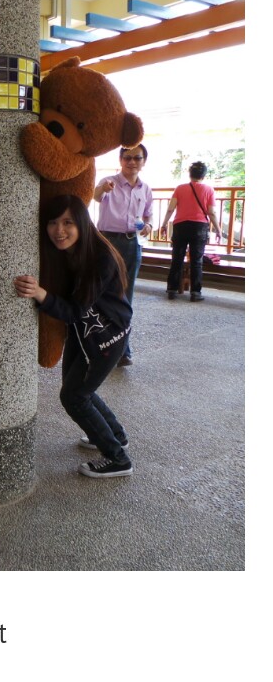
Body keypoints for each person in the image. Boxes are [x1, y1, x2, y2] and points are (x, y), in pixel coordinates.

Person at [14, 195, 134, 478]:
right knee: (78, 389)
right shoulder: (69, 253)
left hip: (106, 337)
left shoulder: (100, 258)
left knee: (74, 397)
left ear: (82, 222)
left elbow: (75, 311)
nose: (59, 230)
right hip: (83, 334)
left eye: (68, 222)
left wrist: (40, 294)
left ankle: (117, 459)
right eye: (53, 222)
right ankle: (115, 435)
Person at [93, 143, 153, 367]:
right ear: (120, 160)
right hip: (107, 241)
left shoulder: (145, 189)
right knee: (102, 292)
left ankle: (122, 350)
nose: (132, 162)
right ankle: (99, 344)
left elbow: (148, 216)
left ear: (144, 162)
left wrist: (149, 226)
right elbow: (96, 196)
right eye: (127, 157)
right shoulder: (109, 182)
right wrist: (103, 189)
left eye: (137, 158)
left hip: (132, 243)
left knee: (126, 296)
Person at [159, 161, 223, 302]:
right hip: (199, 227)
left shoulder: (180, 188)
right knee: (196, 261)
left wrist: (164, 224)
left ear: (190, 174)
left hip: (180, 226)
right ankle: (195, 293)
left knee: (177, 258)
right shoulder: (209, 190)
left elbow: (171, 209)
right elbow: (211, 212)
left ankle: (172, 290)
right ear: (204, 176)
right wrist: (218, 230)